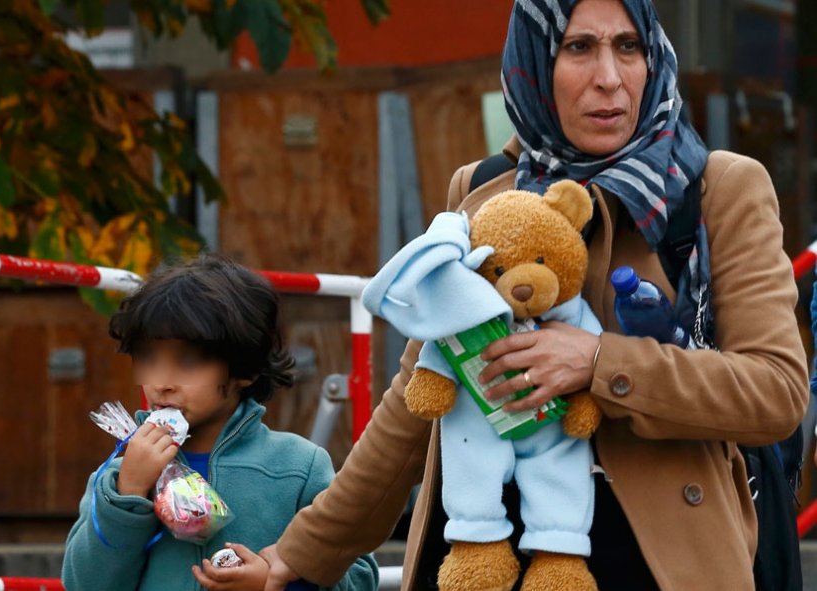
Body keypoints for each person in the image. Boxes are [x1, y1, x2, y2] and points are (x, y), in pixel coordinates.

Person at [260, 0, 810, 590]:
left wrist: (598, 364)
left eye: (628, 47)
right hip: (488, 547)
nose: (609, 77)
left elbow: (774, 391)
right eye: (578, 48)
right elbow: (414, 402)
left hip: (657, 559)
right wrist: (298, 557)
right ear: (533, 63)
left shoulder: (718, 188)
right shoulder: (480, 190)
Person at [61, 254, 379, 591]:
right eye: (148, 358)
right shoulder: (119, 474)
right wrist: (127, 495)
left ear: (245, 368)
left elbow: (360, 577)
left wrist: (273, 584)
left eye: (187, 361)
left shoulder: (299, 467)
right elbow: (83, 584)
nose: (161, 381)